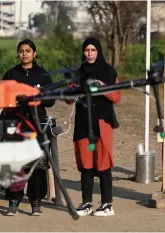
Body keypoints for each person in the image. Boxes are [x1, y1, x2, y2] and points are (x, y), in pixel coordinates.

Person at [66, 37, 121, 217]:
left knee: (103, 163)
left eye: (93, 50)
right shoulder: (78, 73)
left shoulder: (108, 71)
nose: (89, 53)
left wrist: (103, 87)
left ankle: (107, 204)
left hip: (102, 123)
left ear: (98, 51)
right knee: (86, 164)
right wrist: (73, 88)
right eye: (86, 50)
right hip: (83, 124)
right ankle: (86, 203)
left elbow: (117, 97)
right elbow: (67, 100)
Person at [1, 39, 55, 216]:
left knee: (36, 164)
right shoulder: (10, 74)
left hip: (36, 124)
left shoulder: (43, 75)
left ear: (34, 53)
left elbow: (51, 100)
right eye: (21, 51)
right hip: (14, 123)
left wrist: (37, 97)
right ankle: (13, 200)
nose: (24, 54)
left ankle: (36, 201)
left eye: (28, 51)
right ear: (17, 54)